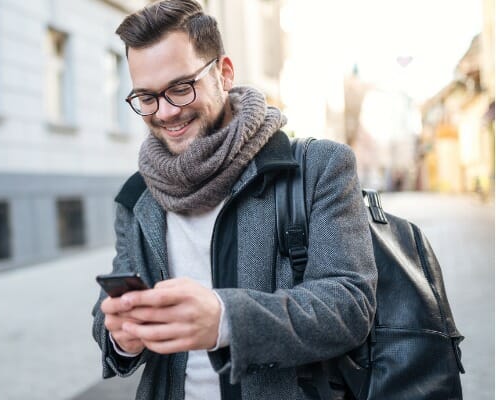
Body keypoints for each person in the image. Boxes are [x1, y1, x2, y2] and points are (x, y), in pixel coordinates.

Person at [91, 1, 378, 399]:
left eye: (180, 88)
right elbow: (108, 312)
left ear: (224, 74)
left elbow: (350, 305)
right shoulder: (137, 196)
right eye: (147, 97)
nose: (165, 112)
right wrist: (122, 335)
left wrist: (226, 320)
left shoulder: (318, 168)